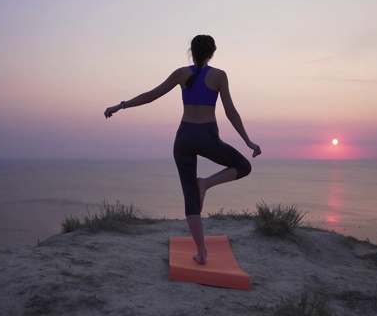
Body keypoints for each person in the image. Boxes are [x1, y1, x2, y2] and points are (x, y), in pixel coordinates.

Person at [104, 35, 261, 264]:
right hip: (207, 136)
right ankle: (205, 183)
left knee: (189, 195)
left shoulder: (181, 73)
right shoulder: (219, 75)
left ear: (191, 51)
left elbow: (151, 95)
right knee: (243, 166)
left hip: (184, 137)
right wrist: (247, 141)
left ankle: (201, 252)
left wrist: (121, 105)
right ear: (212, 52)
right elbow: (231, 112)